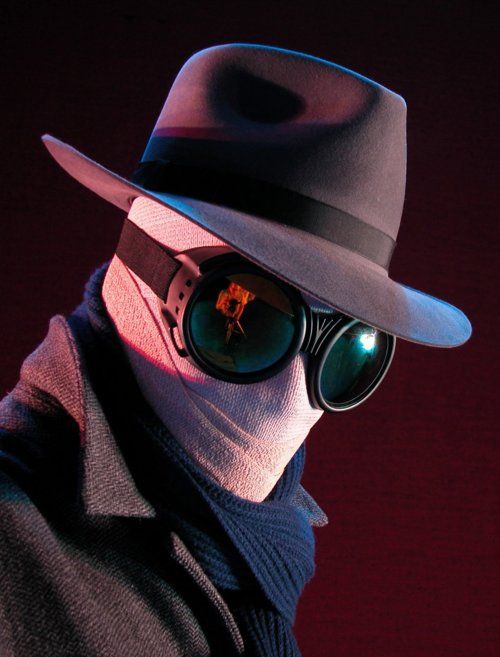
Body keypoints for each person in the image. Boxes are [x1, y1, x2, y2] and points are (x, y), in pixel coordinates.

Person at [0, 43, 472, 657]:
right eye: (248, 321)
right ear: (162, 279)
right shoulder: (13, 537)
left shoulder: (264, 552)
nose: (292, 395)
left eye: (344, 349)